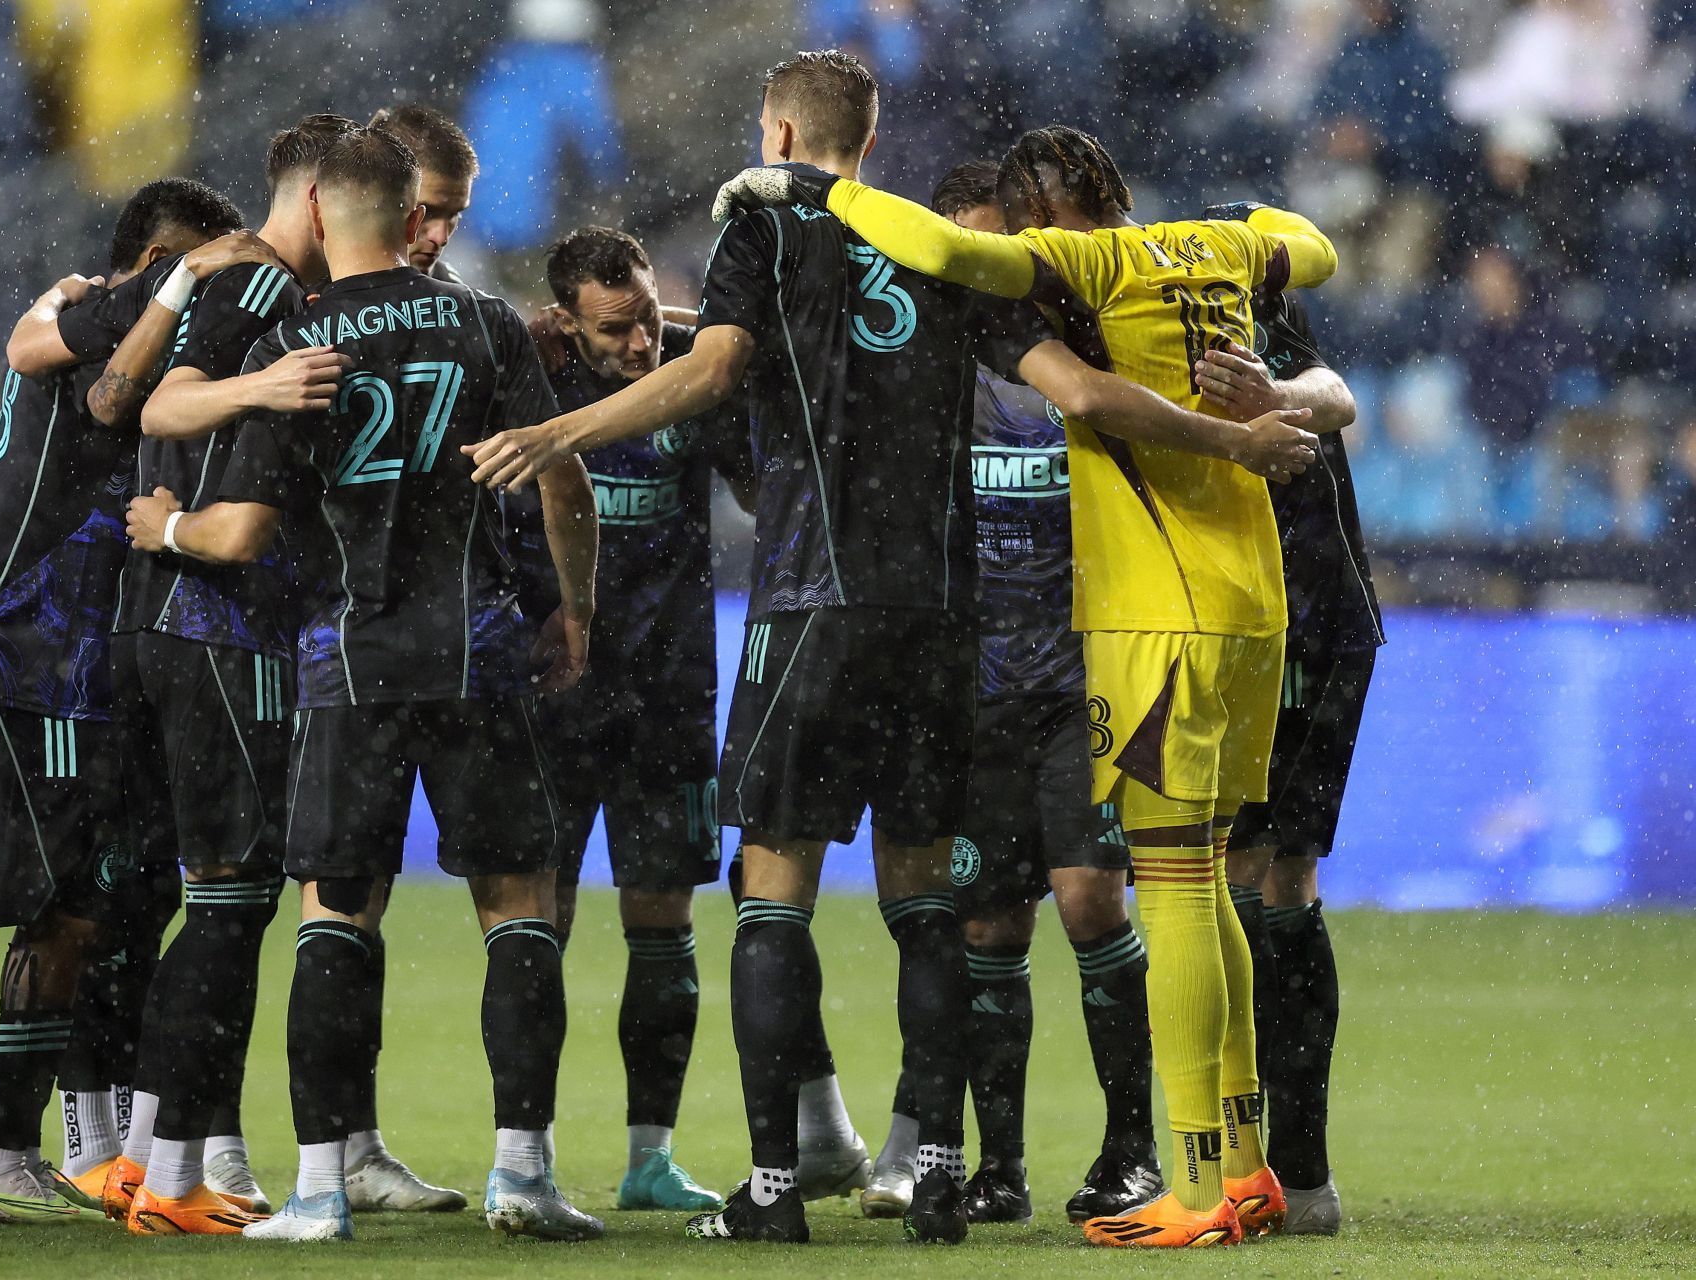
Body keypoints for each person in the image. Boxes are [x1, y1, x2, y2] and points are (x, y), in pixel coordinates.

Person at [465, 54, 1316, 1246]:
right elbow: (1081, 390)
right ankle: (934, 1169)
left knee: (777, 888)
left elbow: (707, 370)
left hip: (814, 600)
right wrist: (1239, 438)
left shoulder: (758, 232)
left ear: (775, 128)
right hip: (943, 621)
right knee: (928, 897)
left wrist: (559, 425)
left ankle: (770, 1188)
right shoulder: (939, 246)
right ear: (873, 135)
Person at [711, 123, 1337, 1247]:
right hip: (1252, 604)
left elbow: (954, 257)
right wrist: (1253, 287)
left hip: (1153, 617)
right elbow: (1315, 249)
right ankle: (1244, 1164)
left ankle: (1191, 1182)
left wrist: (817, 187)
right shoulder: (1216, 250)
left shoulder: (1088, 266)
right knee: (1211, 879)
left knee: (1178, 889)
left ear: (1047, 210)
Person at [124, 124, 603, 1244]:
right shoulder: (487, 323)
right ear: (410, 213)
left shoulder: (298, 343)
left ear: (328, 217)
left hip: (353, 661)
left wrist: (171, 522)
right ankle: (524, 1174)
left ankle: (321, 1188)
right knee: (518, 912)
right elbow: (562, 476)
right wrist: (572, 607)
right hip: (480, 648)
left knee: (336, 919)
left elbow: (238, 533)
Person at [0, 178, 260, 1223]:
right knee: (69, 903)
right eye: (206, 268)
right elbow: (60, 368)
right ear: (171, 259)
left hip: (61, 653)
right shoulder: (124, 311)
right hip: (35, 652)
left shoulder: (79, 309)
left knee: (108, 896)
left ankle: (86, 1142)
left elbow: (34, 344)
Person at [861, 162, 1160, 1229]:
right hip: (973, 691)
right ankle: (1002, 1164)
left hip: (1080, 680)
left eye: (1004, 254)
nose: (991, 277)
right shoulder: (926, 378)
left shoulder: (1092, 361)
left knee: (1089, 901)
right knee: (988, 927)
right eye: (968, 256)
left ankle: (1134, 1150)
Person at [516, 225, 752, 1213]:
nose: (641, 344)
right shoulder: (526, 381)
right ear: (566, 323)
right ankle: (522, 1155)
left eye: (651, 316)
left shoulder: (690, 383)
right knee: (539, 919)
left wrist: (704, 337)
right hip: (555, 696)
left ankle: (650, 1156)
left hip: (669, 692)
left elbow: (760, 475)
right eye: (616, 330)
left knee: (663, 918)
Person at [1201, 200, 1383, 1237]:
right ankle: (1235, 1159)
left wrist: (1270, 394)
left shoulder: (1247, 314)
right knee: (1221, 871)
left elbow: (1335, 394)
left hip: (1310, 618)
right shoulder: (1162, 314)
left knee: (1273, 869)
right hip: (1226, 619)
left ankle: (1297, 1166)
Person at [368, 103, 478, 281]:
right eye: (426, 212)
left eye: (453, 215)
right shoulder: (312, 300)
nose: (441, 237)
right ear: (372, 196)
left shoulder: (456, 300)